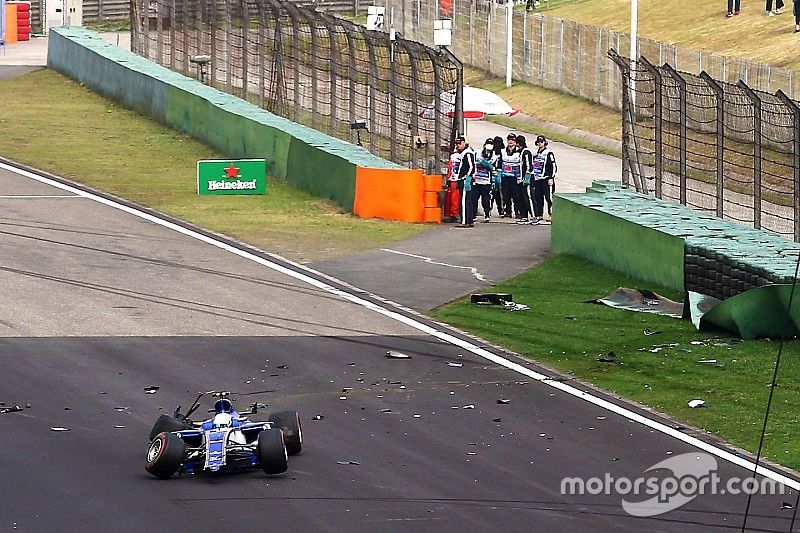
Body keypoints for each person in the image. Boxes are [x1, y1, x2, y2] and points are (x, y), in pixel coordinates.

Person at [529, 134, 557, 224]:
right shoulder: (536, 153)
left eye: (542, 142)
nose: (540, 143)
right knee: (538, 197)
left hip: (546, 178)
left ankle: (551, 214)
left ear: (545, 142)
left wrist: (551, 177)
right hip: (537, 178)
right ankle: (539, 215)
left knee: (548, 198)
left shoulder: (548, 153)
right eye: (538, 142)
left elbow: (553, 166)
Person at [454, 135, 476, 228]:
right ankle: (469, 220)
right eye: (457, 143)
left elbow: (472, 166)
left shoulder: (468, 153)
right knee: (467, 201)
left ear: (464, 143)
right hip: (462, 179)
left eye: (460, 143)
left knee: (464, 201)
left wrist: (468, 177)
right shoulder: (464, 153)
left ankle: (464, 221)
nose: (458, 145)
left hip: (465, 180)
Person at [473, 138, 496, 223]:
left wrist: (487, 165)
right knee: (474, 198)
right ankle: (473, 214)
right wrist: (479, 163)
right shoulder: (478, 153)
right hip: (477, 180)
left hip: (486, 181)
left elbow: (493, 168)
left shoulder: (494, 156)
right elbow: (474, 163)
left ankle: (487, 214)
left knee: (486, 199)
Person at [500, 133, 521, 218]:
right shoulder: (503, 151)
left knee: (516, 195)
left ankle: (517, 211)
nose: (510, 141)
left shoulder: (519, 151)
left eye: (512, 140)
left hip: (515, 177)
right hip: (505, 176)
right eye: (509, 140)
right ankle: (508, 211)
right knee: (506, 195)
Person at [515, 135, 533, 224]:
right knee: (520, 198)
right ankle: (524, 216)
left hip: (525, 180)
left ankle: (534, 216)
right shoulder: (519, 152)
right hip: (519, 179)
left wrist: (527, 177)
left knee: (527, 198)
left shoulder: (526, 152)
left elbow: (529, 165)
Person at [491, 136, 505, 217]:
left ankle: (500, 210)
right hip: (495, 174)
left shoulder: (502, 153)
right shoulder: (496, 153)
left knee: (496, 194)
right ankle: (500, 210)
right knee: (497, 195)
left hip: (498, 174)